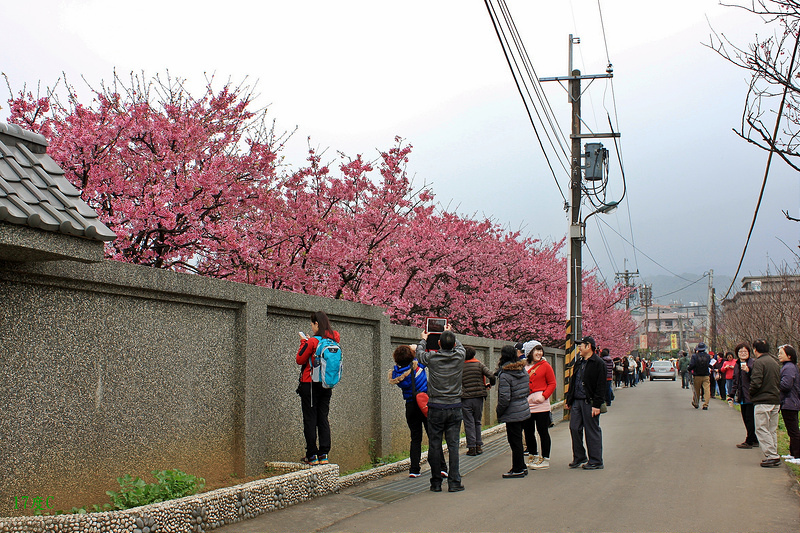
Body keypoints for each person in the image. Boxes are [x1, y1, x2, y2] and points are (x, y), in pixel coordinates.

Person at [415, 325, 467, 492]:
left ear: (438, 343)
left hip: (436, 406)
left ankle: (436, 482)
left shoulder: (432, 358)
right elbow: (459, 346)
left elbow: (419, 354)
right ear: (453, 345)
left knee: (435, 445)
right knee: (453, 445)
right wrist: (451, 332)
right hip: (454, 406)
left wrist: (423, 339)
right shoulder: (459, 356)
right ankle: (454, 482)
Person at [295, 311, 339, 465]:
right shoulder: (334, 339)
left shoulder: (312, 341)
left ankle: (312, 455)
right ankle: (324, 454)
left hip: (310, 384)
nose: (312, 327)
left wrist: (303, 342)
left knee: (310, 419)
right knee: (323, 418)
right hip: (327, 384)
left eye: (312, 324)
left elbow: (300, 359)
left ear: (316, 324)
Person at [388, 345, 430, 477]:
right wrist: (416, 348)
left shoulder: (397, 374)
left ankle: (414, 469)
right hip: (424, 404)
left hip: (410, 406)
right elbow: (424, 357)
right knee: (433, 436)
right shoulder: (418, 367)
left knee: (415, 438)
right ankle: (440, 466)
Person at [565, 336, 606, 470]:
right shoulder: (579, 362)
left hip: (590, 402)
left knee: (591, 430)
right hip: (577, 400)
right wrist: (569, 400)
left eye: (581, 345)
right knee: (574, 428)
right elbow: (573, 382)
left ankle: (596, 460)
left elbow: (601, 386)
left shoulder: (598, 363)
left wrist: (597, 405)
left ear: (588, 346)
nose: (579, 348)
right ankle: (579, 456)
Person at [496, 345, 531, 478]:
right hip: (523, 408)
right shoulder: (523, 370)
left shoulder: (505, 375)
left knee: (515, 441)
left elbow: (505, 397)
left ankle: (518, 469)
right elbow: (527, 390)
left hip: (512, 411)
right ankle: (521, 466)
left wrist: (499, 411)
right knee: (518, 440)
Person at [523, 341, 556, 470]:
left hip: (541, 405)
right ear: (529, 352)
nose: (539, 353)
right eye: (536, 350)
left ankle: (545, 458)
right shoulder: (524, 366)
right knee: (529, 432)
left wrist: (543, 396)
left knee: (543, 431)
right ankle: (533, 455)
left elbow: (552, 383)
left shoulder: (545, 366)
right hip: (527, 405)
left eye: (540, 350)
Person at [749, 339, 782, 467]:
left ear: (755, 349)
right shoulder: (774, 362)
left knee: (761, 428)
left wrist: (751, 393)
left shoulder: (759, 362)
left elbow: (756, 382)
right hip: (775, 399)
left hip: (763, 400)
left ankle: (772, 455)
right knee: (771, 429)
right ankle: (774, 453)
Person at [461, 346, 496, 456]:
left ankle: (471, 447)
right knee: (477, 421)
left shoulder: (460, 366)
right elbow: (491, 375)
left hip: (465, 398)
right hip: (479, 397)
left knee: (468, 422)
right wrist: (491, 384)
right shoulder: (479, 364)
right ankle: (478, 446)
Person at [730, 342, 758, 449]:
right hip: (741, 396)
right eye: (740, 351)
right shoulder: (737, 365)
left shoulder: (753, 363)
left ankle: (749, 440)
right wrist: (731, 395)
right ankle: (753, 439)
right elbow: (735, 381)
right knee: (745, 418)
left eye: (745, 351)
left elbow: (756, 378)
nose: (742, 353)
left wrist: (748, 371)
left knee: (750, 419)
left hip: (751, 396)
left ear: (749, 353)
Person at [778, 344, 800, 463]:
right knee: (791, 430)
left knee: (793, 431)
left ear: (789, 356)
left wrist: (776, 383)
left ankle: (797, 455)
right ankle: (793, 453)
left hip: (790, 402)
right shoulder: (789, 367)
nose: (779, 356)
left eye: (781, 353)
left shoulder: (789, 368)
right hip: (789, 402)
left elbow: (786, 385)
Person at [688, 343, 711, 410]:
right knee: (707, 390)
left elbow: (692, 365)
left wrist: (689, 369)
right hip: (706, 375)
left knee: (697, 390)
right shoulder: (707, 356)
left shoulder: (694, 356)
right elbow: (709, 364)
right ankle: (706, 404)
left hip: (697, 375)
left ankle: (696, 402)